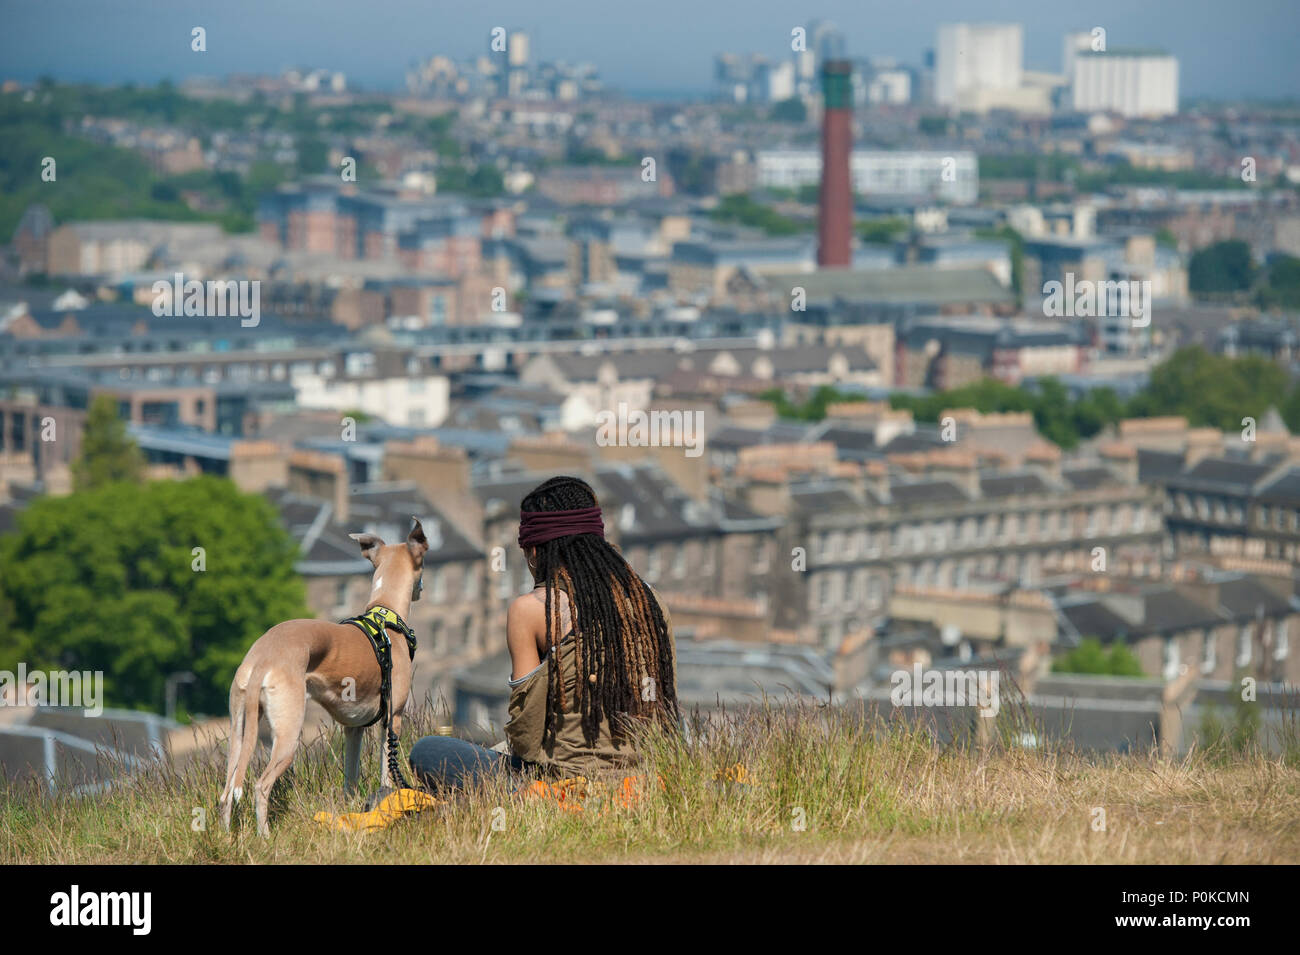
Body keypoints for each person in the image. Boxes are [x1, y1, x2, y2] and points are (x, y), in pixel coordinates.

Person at [407, 476, 679, 796]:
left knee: (428, 750)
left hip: (563, 787)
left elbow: (525, 736)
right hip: (644, 781)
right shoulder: (650, 599)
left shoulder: (533, 609)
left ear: (535, 550)